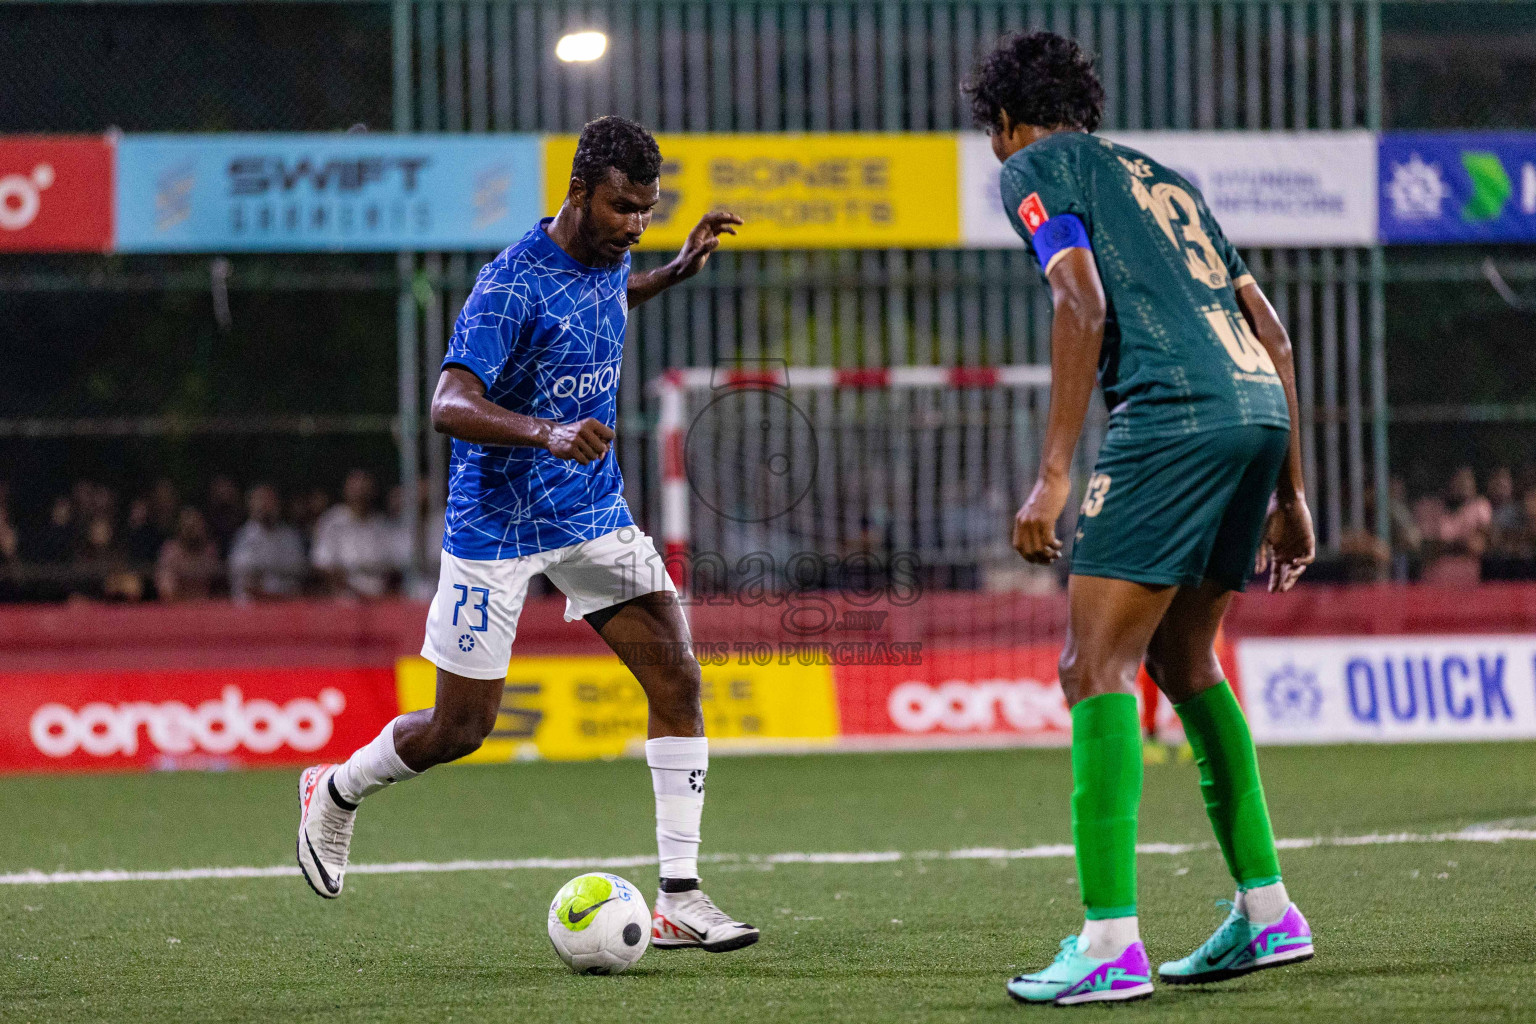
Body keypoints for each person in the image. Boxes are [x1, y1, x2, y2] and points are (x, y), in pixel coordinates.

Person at [295, 116, 758, 952]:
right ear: (579, 192)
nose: (635, 224)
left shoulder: (611, 261)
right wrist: (545, 432)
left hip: (590, 511)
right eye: (622, 207)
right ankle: (335, 788)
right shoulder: (509, 283)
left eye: (648, 210)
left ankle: (681, 896)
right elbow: (447, 404)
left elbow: (604, 301)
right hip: (497, 526)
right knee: (458, 731)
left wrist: (673, 272)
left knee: (679, 679)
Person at [964, 33, 1315, 1005]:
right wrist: (1291, 495)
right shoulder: (1167, 179)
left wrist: (1052, 477)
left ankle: (1110, 939)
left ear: (1004, 122)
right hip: (1256, 412)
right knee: (1183, 660)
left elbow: (1077, 301)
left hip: (1173, 418)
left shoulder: (1037, 166)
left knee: (1093, 667)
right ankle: (1269, 910)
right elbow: (1274, 335)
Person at [311, 470, 397, 598]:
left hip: (379, 600)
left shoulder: (382, 525)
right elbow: (322, 565)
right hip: (343, 601)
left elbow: (393, 566)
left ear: (373, 491)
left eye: (364, 488)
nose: (360, 493)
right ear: (346, 490)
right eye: (356, 488)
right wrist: (354, 591)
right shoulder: (331, 522)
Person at [229, 484, 307, 600]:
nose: (265, 505)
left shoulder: (290, 536)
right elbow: (244, 579)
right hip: (253, 606)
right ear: (251, 505)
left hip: (286, 604)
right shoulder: (244, 536)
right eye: (260, 500)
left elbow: (297, 574)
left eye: (269, 500)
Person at [154, 507, 222, 601]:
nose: (192, 532)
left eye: (195, 527)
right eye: (188, 528)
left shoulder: (210, 551)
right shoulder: (171, 551)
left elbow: (220, 587)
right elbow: (165, 589)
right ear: (180, 528)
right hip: (178, 607)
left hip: (207, 607)